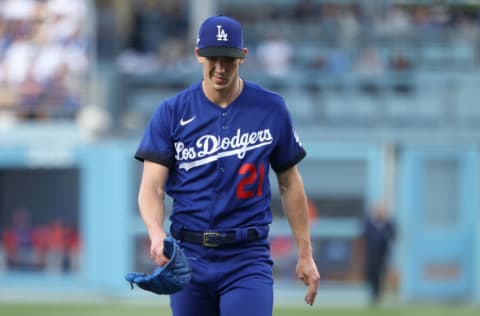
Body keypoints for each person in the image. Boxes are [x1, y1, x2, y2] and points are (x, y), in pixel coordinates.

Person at [134, 15, 320, 316]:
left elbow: (290, 182)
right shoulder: (171, 112)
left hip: (246, 256)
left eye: (229, 59)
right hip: (189, 254)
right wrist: (155, 232)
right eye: (213, 58)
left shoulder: (271, 108)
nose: (220, 67)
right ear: (198, 55)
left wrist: (305, 252)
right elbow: (151, 187)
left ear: (243, 57)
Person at [362, 202, 396, 305]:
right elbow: (364, 234)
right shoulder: (369, 222)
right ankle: (373, 292)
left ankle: (378, 294)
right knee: (371, 272)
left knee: (380, 272)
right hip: (371, 252)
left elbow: (393, 234)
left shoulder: (387, 224)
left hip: (382, 252)